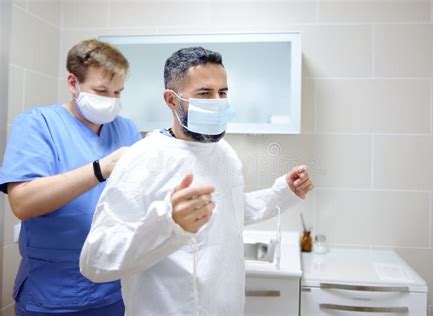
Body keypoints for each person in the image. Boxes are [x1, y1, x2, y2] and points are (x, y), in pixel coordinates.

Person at [80, 47, 314, 315]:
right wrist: (169, 224)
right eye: (205, 93)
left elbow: (227, 212)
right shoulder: (143, 158)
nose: (217, 101)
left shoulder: (224, 153)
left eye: (222, 92)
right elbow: (95, 260)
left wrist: (282, 192)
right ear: (171, 100)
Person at [0, 39, 141, 315]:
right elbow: (22, 203)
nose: (111, 102)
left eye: (118, 92)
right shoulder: (38, 124)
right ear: (73, 83)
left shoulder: (125, 129)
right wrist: (100, 168)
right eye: (101, 91)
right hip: (53, 293)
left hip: (115, 290)